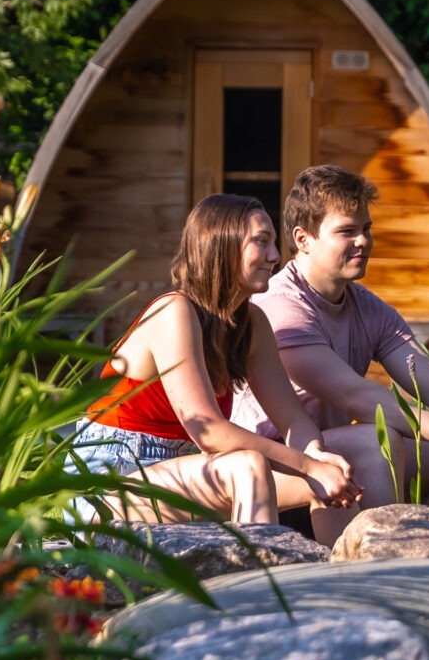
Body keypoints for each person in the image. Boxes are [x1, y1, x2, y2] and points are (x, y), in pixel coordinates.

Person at [251, 165, 429, 543]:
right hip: (279, 468)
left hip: (336, 462)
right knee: (372, 443)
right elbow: (359, 398)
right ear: (303, 238)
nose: (363, 241)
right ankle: (386, 572)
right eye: (347, 231)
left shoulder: (367, 307)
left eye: (366, 229)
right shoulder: (279, 306)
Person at [76, 193, 356, 526]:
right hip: (108, 483)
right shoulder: (173, 311)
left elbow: (293, 419)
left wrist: (316, 456)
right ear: (221, 246)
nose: (275, 256)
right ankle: (254, 576)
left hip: (179, 475)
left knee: (335, 476)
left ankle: (338, 572)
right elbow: (209, 433)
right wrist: (308, 467)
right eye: (261, 242)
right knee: (248, 466)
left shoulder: (251, 324)